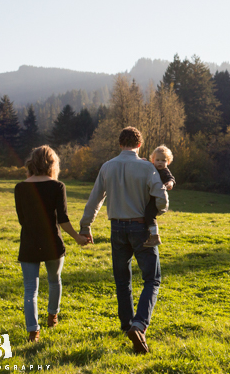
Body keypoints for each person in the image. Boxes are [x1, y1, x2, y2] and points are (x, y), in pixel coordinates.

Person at [79, 127, 168, 354]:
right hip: (141, 227)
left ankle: (127, 324)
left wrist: (86, 225)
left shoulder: (107, 167)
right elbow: (162, 199)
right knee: (152, 278)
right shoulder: (148, 167)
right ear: (140, 146)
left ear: (120, 144)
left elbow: (95, 199)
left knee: (122, 279)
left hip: (116, 227)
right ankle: (139, 325)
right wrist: (157, 211)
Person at [15, 145, 89, 342]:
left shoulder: (20, 187)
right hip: (52, 243)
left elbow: (22, 219)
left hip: (29, 242)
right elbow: (63, 220)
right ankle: (52, 316)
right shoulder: (58, 186)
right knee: (54, 280)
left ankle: (33, 331)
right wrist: (77, 237)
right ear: (52, 164)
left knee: (30, 288)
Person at [143, 145, 176, 248]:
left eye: (163, 160)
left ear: (168, 162)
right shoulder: (151, 166)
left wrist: (170, 183)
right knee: (146, 214)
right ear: (153, 160)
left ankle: (155, 236)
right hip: (149, 195)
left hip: (156, 198)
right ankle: (149, 233)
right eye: (157, 160)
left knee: (149, 214)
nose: (160, 162)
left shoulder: (164, 171)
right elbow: (145, 165)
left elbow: (171, 178)